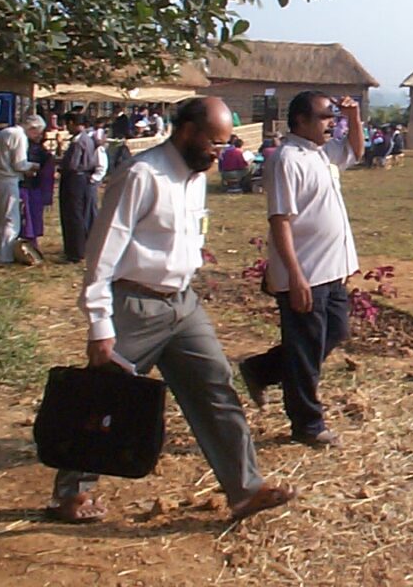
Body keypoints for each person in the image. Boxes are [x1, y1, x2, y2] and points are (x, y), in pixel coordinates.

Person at [46, 97, 292, 524]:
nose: (219, 152)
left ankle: (245, 490)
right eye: (215, 143)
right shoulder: (141, 176)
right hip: (134, 305)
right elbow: (101, 255)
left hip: (182, 304)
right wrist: (100, 324)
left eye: (225, 143)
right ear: (188, 131)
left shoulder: (195, 177)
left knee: (216, 386)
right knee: (104, 397)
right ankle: (71, 494)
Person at [239, 92, 363, 448]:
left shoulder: (320, 153)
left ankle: (261, 370)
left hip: (333, 269)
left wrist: (353, 116)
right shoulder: (287, 159)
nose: (331, 123)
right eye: (325, 116)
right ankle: (307, 424)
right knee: (306, 351)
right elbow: (280, 220)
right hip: (307, 272)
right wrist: (295, 276)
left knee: (334, 333)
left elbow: (355, 151)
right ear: (301, 121)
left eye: (332, 117)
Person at [0, 115, 44, 265]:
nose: (37, 136)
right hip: (8, 180)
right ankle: (5, 257)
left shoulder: (5, 132)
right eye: (37, 132)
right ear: (32, 128)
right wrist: (34, 166)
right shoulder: (19, 136)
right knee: (11, 221)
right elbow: (19, 164)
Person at [58, 112, 99, 263]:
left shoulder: (78, 142)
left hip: (74, 179)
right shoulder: (88, 139)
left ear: (72, 123)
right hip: (82, 179)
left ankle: (75, 251)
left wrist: (60, 166)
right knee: (79, 214)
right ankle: (80, 249)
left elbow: (72, 164)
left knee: (73, 214)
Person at [18, 128, 55, 254]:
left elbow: (47, 174)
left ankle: (31, 245)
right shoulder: (23, 148)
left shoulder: (43, 153)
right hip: (24, 187)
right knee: (26, 218)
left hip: (34, 188)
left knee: (32, 218)